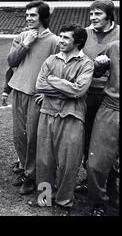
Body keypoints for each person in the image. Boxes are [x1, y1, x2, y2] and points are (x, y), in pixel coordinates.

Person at [34, 24, 93, 212]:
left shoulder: (86, 64)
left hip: (72, 117)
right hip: (47, 114)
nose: (60, 40)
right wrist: (66, 87)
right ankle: (45, 198)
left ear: (78, 41)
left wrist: (52, 80)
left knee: (69, 163)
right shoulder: (51, 59)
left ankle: (64, 201)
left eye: (66, 38)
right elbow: (39, 86)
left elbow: (78, 91)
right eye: (60, 36)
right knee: (44, 161)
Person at [7, 0, 59, 195]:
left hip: (37, 95)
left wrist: (47, 92)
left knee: (33, 138)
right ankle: (26, 169)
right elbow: (11, 61)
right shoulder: (22, 36)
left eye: (33, 15)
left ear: (43, 18)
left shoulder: (54, 41)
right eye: (27, 15)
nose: (28, 19)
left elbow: (59, 68)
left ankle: (31, 176)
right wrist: (26, 44)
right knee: (18, 136)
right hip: (19, 90)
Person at [75, 0, 120, 193]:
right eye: (91, 13)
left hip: (109, 97)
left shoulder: (119, 35)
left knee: (108, 143)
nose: (93, 17)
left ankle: (109, 181)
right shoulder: (84, 34)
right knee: (87, 139)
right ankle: (90, 178)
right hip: (87, 93)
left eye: (98, 13)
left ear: (109, 15)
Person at [87, 40, 119, 216]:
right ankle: (98, 202)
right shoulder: (114, 46)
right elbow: (96, 72)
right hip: (110, 107)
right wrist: (98, 65)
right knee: (96, 162)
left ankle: (113, 191)